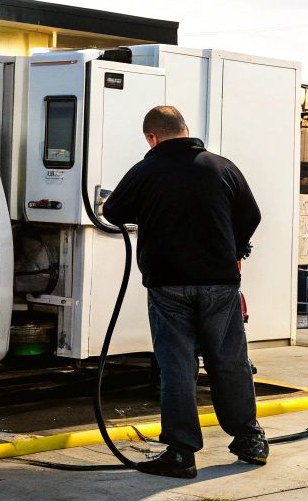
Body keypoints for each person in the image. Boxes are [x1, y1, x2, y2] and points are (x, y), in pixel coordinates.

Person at [101, 105, 267, 478]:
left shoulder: (146, 170)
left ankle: (181, 453)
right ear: (186, 129)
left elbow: (112, 211)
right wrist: (231, 248)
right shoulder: (222, 167)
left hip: (167, 286)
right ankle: (249, 439)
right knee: (229, 362)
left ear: (152, 137)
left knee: (177, 366)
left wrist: (149, 212)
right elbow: (251, 215)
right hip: (220, 284)